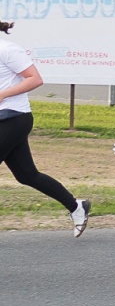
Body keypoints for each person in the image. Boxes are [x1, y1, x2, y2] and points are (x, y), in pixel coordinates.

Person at [0, 20, 90, 236]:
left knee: (27, 175)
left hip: (13, 118)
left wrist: (2, 94)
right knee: (27, 175)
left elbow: (35, 79)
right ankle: (77, 207)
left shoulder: (8, 49)